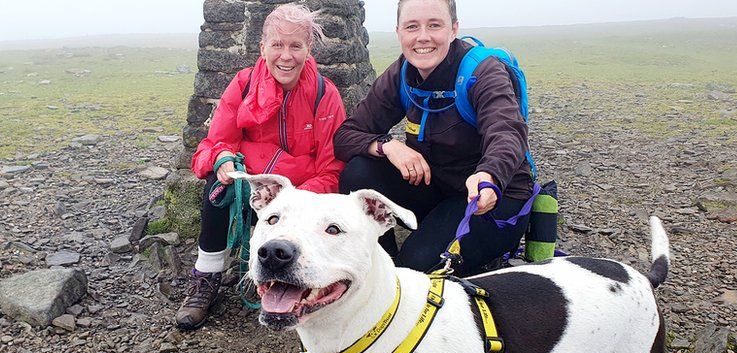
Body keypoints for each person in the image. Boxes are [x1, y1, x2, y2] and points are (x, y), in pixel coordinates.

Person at [333, 0, 534, 275]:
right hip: (437, 189)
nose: (423, 37)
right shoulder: (402, 74)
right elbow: (346, 136)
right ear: (399, 32)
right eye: (412, 27)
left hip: (488, 198)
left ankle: (409, 266)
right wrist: (387, 146)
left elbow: (507, 132)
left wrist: (489, 174)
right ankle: (380, 263)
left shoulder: (483, 72)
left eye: (434, 25)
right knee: (359, 171)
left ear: (453, 30)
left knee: (417, 268)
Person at [179, 3, 347, 330]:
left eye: (296, 46)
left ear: (308, 49)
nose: (286, 56)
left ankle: (300, 283)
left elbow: (332, 169)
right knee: (217, 185)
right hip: (251, 187)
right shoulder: (242, 85)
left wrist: (290, 198)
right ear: (263, 47)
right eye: (277, 45)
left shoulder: (325, 95)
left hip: (303, 194)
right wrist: (224, 159)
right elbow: (215, 143)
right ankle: (207, 276)